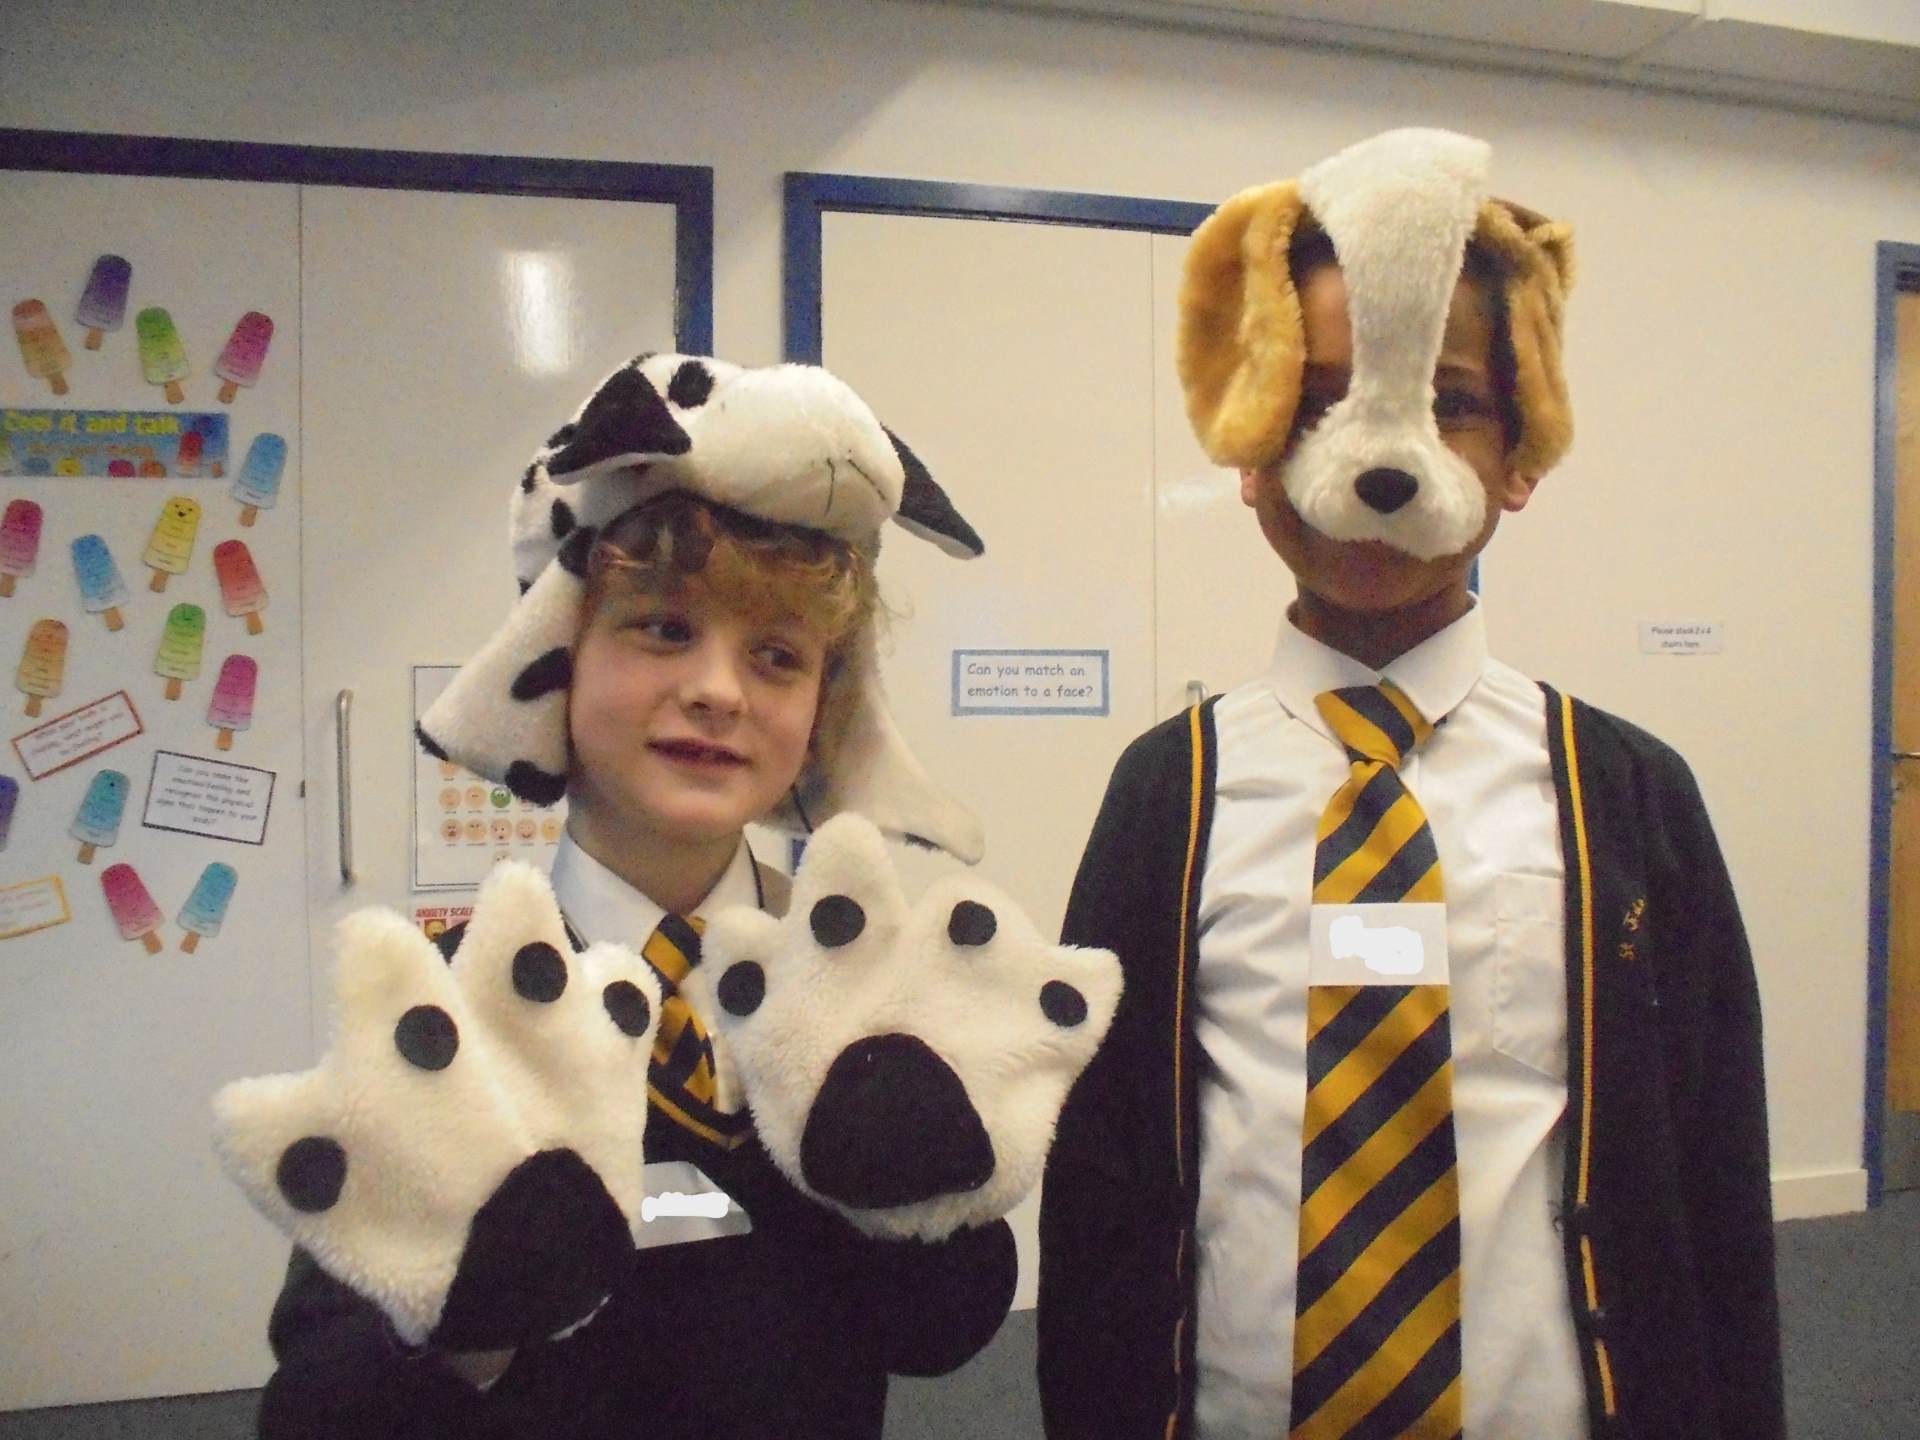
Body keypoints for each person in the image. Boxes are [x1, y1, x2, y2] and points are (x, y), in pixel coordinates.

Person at [1037, 129, 1783, 1440]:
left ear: (1521, 457)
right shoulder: (1168, 794)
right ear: (1251, 448)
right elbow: (1099, 1180)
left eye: (1450, 403)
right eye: (1316, 400)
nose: (1378, 457)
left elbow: (1716, 1184)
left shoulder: (1632, 797)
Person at [245, 356, 1017, 1439]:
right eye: (663, 629)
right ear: (558, 656)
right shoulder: (451, 1010)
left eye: (778, 655)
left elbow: (938, 1333)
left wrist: (918, 1200)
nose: (718, 691)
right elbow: (320, 1408)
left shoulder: (863, 991)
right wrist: (458, 1332)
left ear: (823, 710)